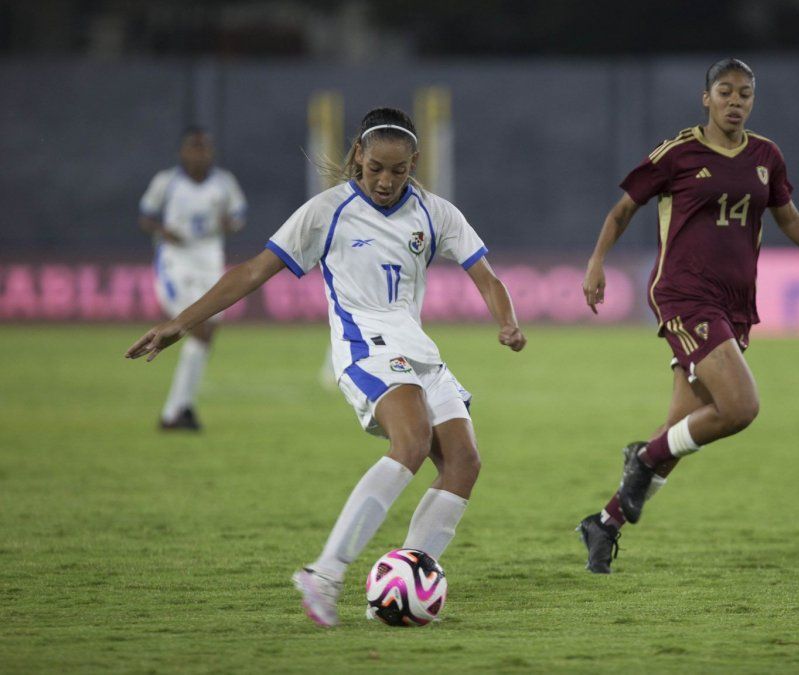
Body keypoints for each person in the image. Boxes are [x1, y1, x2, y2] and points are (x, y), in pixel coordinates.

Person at [126, 107, 526, 626]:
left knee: (464, 463)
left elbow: (487, 276)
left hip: (420, 351)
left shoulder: (435, 213)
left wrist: (507, 322)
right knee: (409, 441)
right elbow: (253, 271)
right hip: (366, 347)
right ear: (359, 154)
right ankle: (325, 574)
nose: (385, 180)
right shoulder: (326, 211)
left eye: (398, 170)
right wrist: (180, 323)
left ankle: (403, 578)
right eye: (376, 167)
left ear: (414, 163)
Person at [576, 58, 799, 573]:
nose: (736, 102)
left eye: (746, 94)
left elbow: (790, 218)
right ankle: (641, 459)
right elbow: (623, 209)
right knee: (740, 407)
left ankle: (604, 524)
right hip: (685, 295)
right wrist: (597, 263)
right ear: (706, 98)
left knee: (680, 428)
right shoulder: (679, 153)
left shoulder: (766, 156)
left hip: (735, 304)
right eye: (726, 92)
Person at [139, 126, 246, 430]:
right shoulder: (167, 182)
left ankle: (180, 410)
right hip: (175, 263)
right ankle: (174, 412)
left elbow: (238, 216)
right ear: (182, 152)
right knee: (197, 330)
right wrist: (162, 231)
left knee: (206, 334)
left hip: (209, 260)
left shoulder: (224, 183)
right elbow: (146, 215)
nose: (199, 154)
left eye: (204, 148)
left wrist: (231, 224)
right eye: (194, 148)